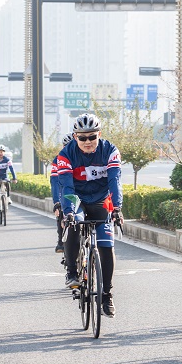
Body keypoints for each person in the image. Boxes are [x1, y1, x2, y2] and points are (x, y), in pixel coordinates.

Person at [57, 113, 123, 318]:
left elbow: (115, 180)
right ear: (75, 137)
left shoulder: (110, 151)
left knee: (106, 245)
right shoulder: (66, 154)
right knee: (74, 223)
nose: (88, 141)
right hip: (77, 198)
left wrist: (117, 208)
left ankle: (107, 295)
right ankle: (72, 272)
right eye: (82, 137)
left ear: (99, 135)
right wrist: (68, 212)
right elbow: (66, 187)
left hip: (101, 199)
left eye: (92, 137)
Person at [51, 134, 73, 254]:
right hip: (63, 190)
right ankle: (61, 242)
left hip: (78, 192)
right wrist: (56, 202)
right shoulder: (58, 160)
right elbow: (54, 181)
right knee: (61, 212)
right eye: (66, 146)